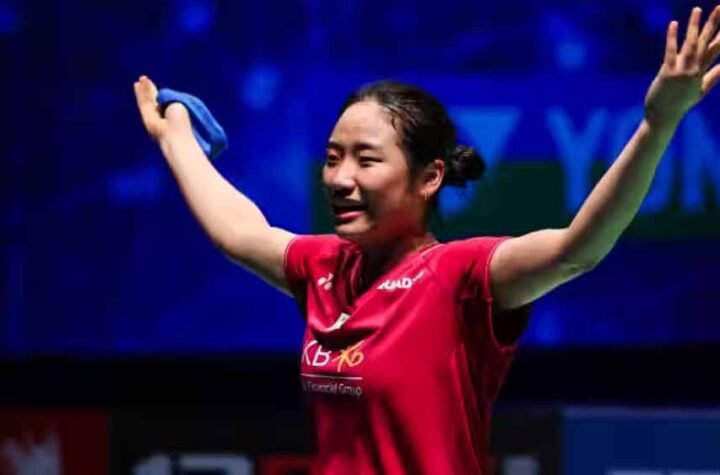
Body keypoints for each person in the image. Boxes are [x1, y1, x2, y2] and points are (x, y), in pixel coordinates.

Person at [134, 6, 720, 474]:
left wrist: (658, 123)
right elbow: (240, 232)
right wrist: (176, 136)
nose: (339, 178)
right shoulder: (323, 267)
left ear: (429, 177)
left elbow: (578, 249)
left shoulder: (460, 276)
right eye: (333, 158)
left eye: (366, 160)